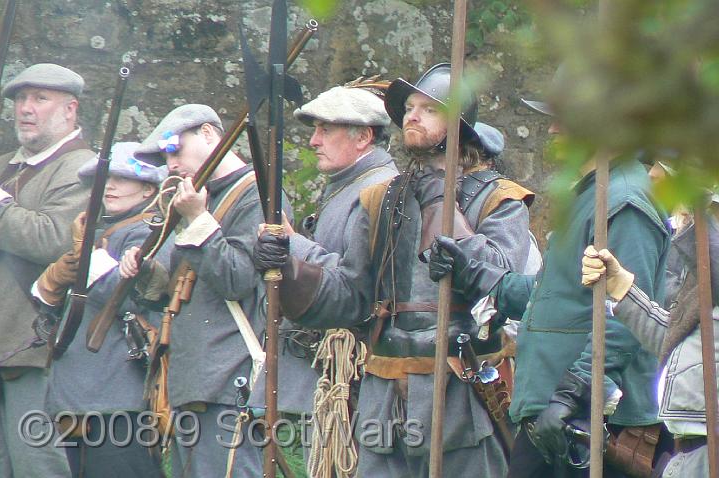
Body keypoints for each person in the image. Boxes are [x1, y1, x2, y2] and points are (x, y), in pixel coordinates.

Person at [253, 63, 512, 477]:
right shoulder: (381, 199)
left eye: (429, 109)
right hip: (384, 397)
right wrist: (287, 265)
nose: (412, 115)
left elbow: (507, 285)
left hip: (461, 397)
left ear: (459, 126)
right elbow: (351, 295)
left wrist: (446, 216)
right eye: (410, 107)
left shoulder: (498, 199)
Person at [430, 90, 673, 477]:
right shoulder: (593, 194)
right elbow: (556, 297)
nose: (554, 128)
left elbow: (628, 312)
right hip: (558, 411)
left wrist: (573, 392)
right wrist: (476, 273)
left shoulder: (625, 200)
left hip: (593, 419)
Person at [119, 104, 286, 477]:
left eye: (175, 150)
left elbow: (236, 279)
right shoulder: (197, 196)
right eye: (166, 156)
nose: (171, 164)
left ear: (210, 134)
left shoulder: (256, 194)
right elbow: (184, 287)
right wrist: (146, 273)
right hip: (195, 381)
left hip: (231, 382)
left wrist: (197, 219)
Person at [248, 81, 398, 474]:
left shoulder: (377, 189)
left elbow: (357, 284)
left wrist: (293, 244)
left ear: (364, 136)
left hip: (351, 375)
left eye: (325, 130)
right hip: (322, 372)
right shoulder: (348, 185)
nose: (313, 141)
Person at [33, 142, 168, 477]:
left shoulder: (152, 232)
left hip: (118, 395)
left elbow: (127, 294)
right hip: (79, 397)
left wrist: (87, 254)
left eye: (121, 178)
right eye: (105, 178)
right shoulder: (100, 231)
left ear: (148, 188)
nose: (109, 185)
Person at [0, 63, 93, 477]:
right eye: (20, 99)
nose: (26, 108)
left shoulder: (85, 167)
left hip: (36, 339)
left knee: (37, 464)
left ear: (70, 109)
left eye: (40, 98)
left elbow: (53, 239)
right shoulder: (5, 164)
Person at [581, 195, 719, 478]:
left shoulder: (711, 264)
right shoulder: (705, 275)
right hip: (690, 450)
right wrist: (621, 286)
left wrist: (697, 212)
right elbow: (677, 342)